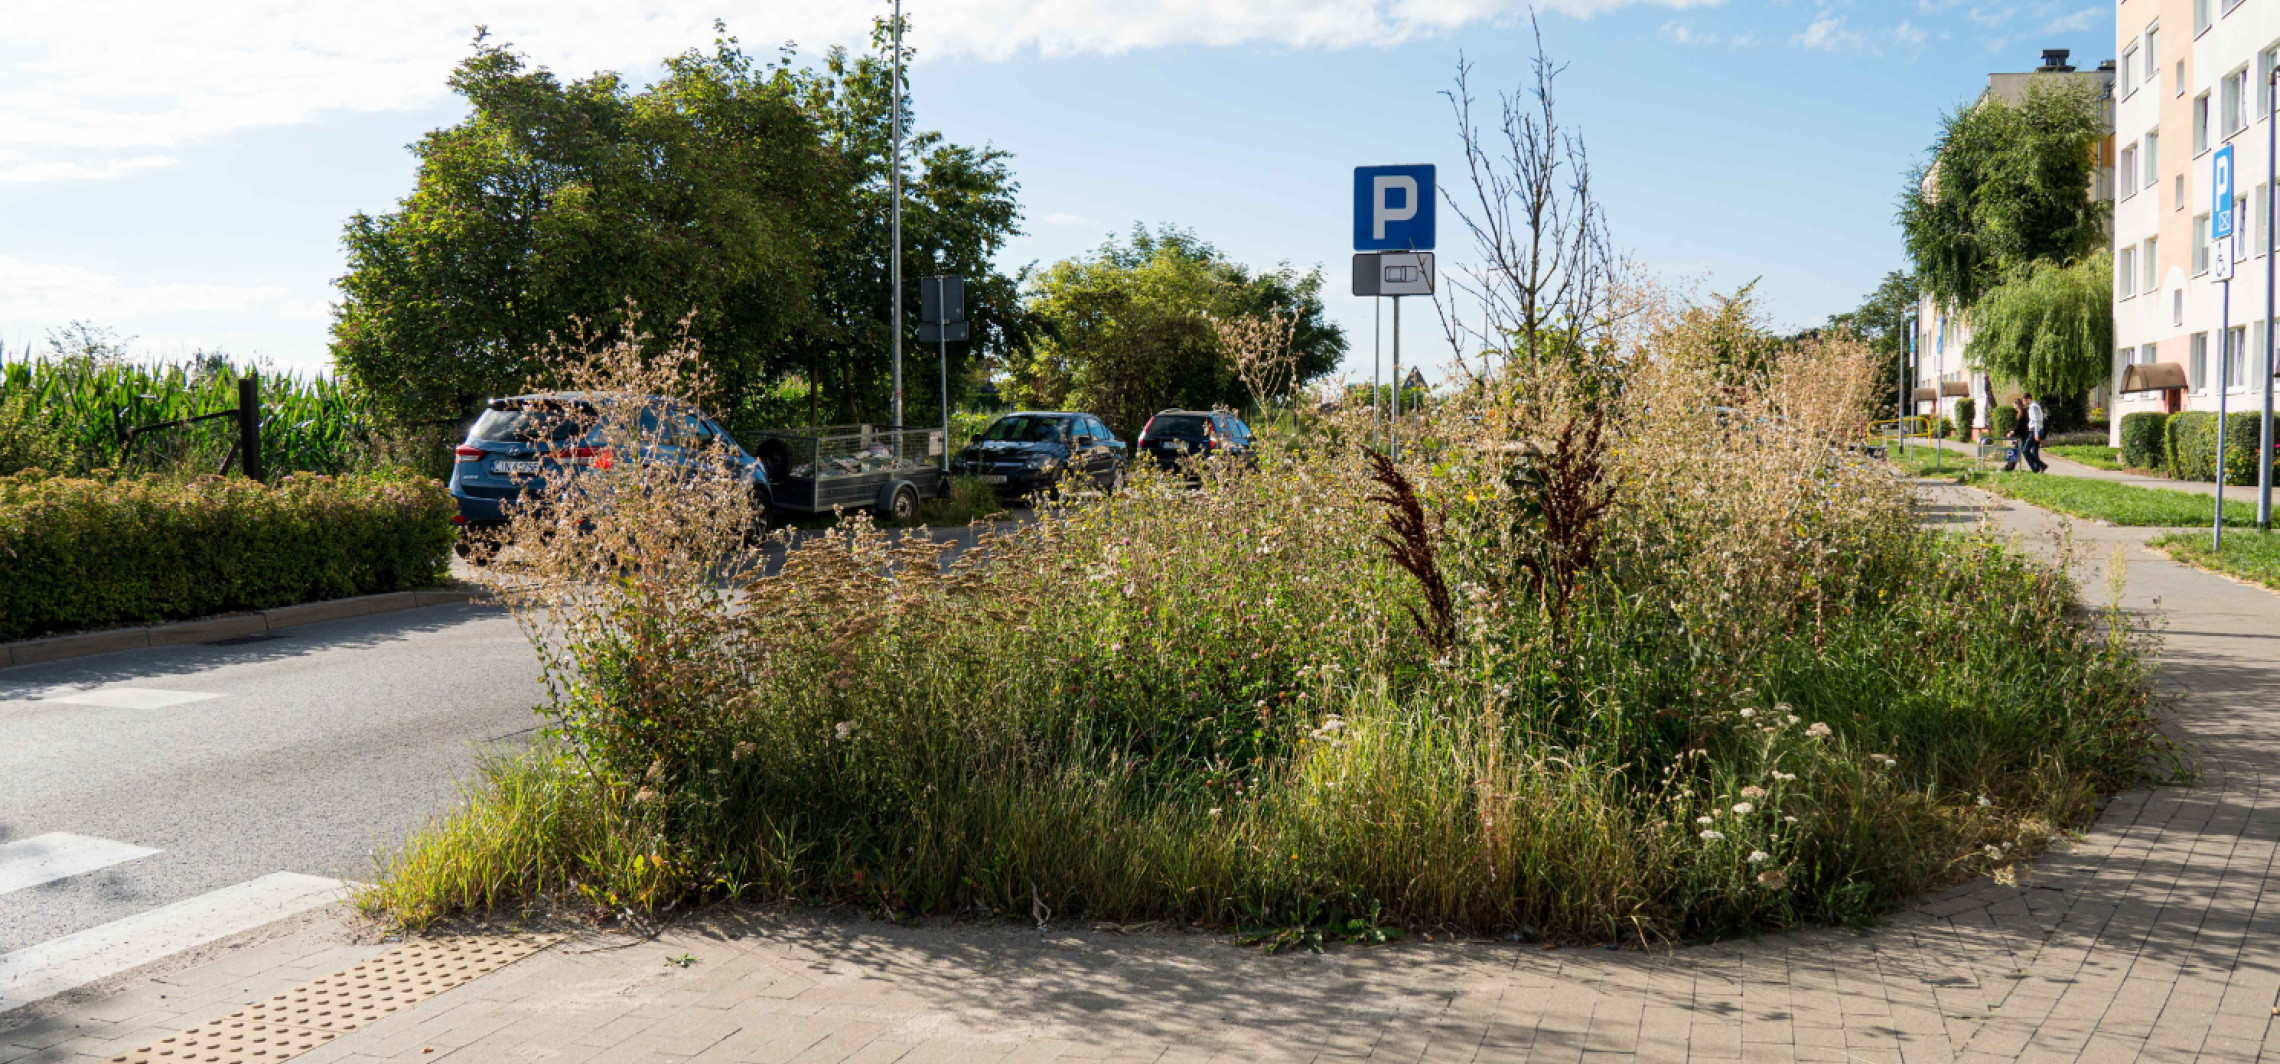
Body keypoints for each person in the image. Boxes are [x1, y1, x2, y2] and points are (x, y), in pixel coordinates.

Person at [2023, 392, 2049, 474]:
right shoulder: (2036, 405)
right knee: (2034, 450)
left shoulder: (2033, 407)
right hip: (2037, 430)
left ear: (2027, 399)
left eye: (2024, 401)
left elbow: (2036, 420)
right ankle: (2037, 468)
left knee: (2025, 450)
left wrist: (2036, 433)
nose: (2023, 403)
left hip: (2034, 430)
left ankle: (2039, 466)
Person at [2003, 395, 2029, 472]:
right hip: (2020, 435)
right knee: (2015, 450)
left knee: (2015, 451)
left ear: (2017, 405)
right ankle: (2009, 466)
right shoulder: (2020, 413)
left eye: (2014, 405)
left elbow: (2020, 427)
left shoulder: (2022, 414)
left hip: (2021, 436)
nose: (2013, 406)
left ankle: (2009, 467)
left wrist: (2012, 432)